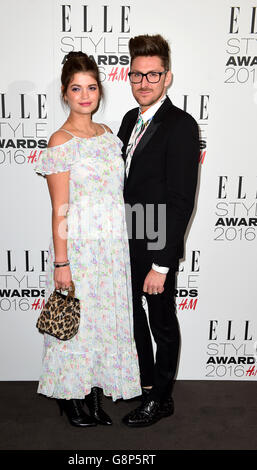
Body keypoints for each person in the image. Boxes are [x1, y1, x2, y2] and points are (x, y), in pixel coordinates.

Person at [34, 51, 141, 427]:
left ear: (99, 91)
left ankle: (94, 395)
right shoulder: (60, 141)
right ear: (65, 93)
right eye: (76, 88)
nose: (85, 95)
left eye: (91, 87)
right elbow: (59, 208)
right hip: (79, 249)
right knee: (76, 323)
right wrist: (62, 263)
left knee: (103, 322)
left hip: (112, 249)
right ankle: (70, 398)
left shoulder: (109, 137)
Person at [118, 34, 199, 427]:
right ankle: (145, 384)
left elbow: (182, 200)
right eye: (137, 75)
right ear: (129, 76)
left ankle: (162, 400)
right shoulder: (129, 120)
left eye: (153, 75)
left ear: (167, 77)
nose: (144, 82)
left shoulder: (181, 125)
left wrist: (162, 265)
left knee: (161, 322)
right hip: (126, 239)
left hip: (156, 242)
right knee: (132, 317)